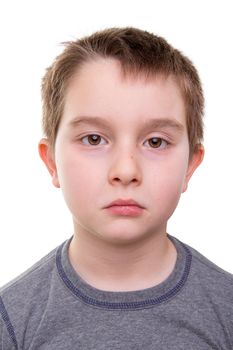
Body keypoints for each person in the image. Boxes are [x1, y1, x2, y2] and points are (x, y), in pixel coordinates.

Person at [0, 27, 232, 349]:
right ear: (52, 160)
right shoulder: (10, 321)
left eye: (155, 141)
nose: (126, 171)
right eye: (94, 139)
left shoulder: (227, 311)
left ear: (191, 165)